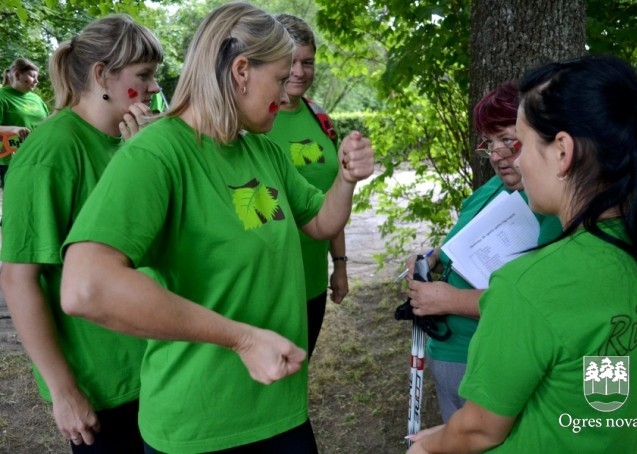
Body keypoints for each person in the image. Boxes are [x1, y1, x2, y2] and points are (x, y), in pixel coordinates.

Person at [59, 3, 374, 453]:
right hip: (199, 425)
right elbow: (84, 287)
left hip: (279, 410)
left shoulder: (261, 152)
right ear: (242, 70)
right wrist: (241, 339)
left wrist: (345, 179)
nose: (287, 95)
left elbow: (321, 222)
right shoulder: (157, 153)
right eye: (281, 78)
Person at [407, 54, 637, 453]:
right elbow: (606, 404)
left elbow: (478, 430)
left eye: (522, 143)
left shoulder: (527, 285)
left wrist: (429, 447)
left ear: (562, 152)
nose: (514, 159)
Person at [0, 15, 163, 453]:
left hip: (159, 366)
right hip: (104, 386)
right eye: (143, 75)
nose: (152, 88)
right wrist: (63, 390)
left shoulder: (136, 140)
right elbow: (18, 277)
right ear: (101, 75)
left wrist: (149, 159)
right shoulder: (51, 152)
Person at [403, 81, 562, 422]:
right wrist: (431, 257)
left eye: (508, 140)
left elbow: (536, 303)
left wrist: (447, 301)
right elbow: (462, 237)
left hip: (487, 355)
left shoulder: (552, 206)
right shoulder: (493, 186)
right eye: (489, 144)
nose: (497, 155)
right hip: (447, 346)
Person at [267, 13, 348, 357]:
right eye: (291, 62)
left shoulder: (320, 118)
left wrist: (340, 265)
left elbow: (331, 197)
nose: (299, 72)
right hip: (269, 281)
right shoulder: (253, 122)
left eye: (308, 62)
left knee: (300, 373)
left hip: (312, 278)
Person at [0, 58, 49, 187]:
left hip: (39, 157)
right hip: (10, 160)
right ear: (17, 74)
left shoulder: (36, 99)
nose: (36, 81)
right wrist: (12, 130)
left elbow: (47, 123)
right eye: (33, 76)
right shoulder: (2, 96)